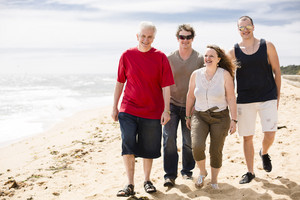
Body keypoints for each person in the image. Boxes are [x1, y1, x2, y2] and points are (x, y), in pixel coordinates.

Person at [111, 21, 174, 197]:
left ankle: (147, 180)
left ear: (154, 38)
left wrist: (166, 110)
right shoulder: (127, 55)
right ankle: (130, 184)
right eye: (143, 36)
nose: (146, 40)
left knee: (149, 147)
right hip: (128, 109)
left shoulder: (160, 57)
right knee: (128, 144)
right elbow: (120, 82)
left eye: (150, 37)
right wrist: (114, 106)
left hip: (153, 111)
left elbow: (166, 86)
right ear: (137, 36)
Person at [228, 16, 281, 184]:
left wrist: (277, 98)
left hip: (268, 97)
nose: (245, 30)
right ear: (238, 30)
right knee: (247, 137)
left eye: (247, 26)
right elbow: (228, 78)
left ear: (253, 27)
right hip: (245, 100)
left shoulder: (267, 46)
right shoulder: (233, 51)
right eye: (241, 27)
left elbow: (277, 73)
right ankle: (250, 172)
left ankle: (264, 152)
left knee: (270, 134)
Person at [186, 45, 237, 190]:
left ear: (218, 59)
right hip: (199, 115)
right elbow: (190, 95)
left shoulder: (225, 75)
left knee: (216, 150)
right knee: (196, 146)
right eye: (206, 55)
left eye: (211, 56)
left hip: (220, 116)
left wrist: (234, 119)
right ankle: (202, 172)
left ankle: (214, 180)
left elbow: (231, 98)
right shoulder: (196, 74)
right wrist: (187, 115)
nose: (208, 58)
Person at [163, 24, 204, 187]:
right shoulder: (169, 58)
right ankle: (169, 175)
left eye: (188, 37)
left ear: (192, 39)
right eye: (182, 37)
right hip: (171, 105)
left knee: (188, 141)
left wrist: (196, 105)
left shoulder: (200, 58)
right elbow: (163, 83)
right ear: (177, 38)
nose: (185, 40)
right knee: (169, 140)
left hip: (191, 106)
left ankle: (187, 172)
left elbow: (203, 83)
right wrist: (164, 108)